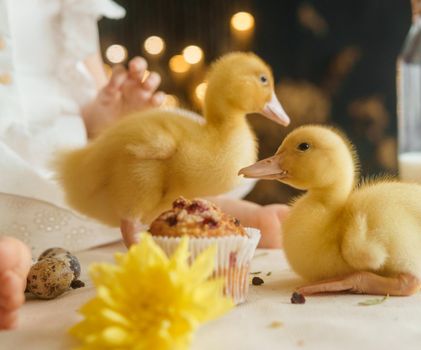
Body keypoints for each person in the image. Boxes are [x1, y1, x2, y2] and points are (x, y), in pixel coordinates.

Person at [0, 0, 287, 330]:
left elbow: (92, 106)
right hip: (15, 181)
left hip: (77, 150)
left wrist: (112, 112)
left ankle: (213, 214)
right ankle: (17, 259)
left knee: (177, 159)